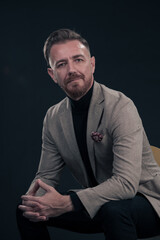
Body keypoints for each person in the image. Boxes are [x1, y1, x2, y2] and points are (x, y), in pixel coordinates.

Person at [16, 29, 160, 240]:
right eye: (62, 64)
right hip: (101, 201)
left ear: (92, 64)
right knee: (26, 211)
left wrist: (67, 202)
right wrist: (34, 200)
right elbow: (46, 176)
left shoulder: (121, 107)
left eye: (78, 60)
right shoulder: (53, 117)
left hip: (149, 201)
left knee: (114, 211)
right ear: (52, 74)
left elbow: (126, 184)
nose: (72, 69)